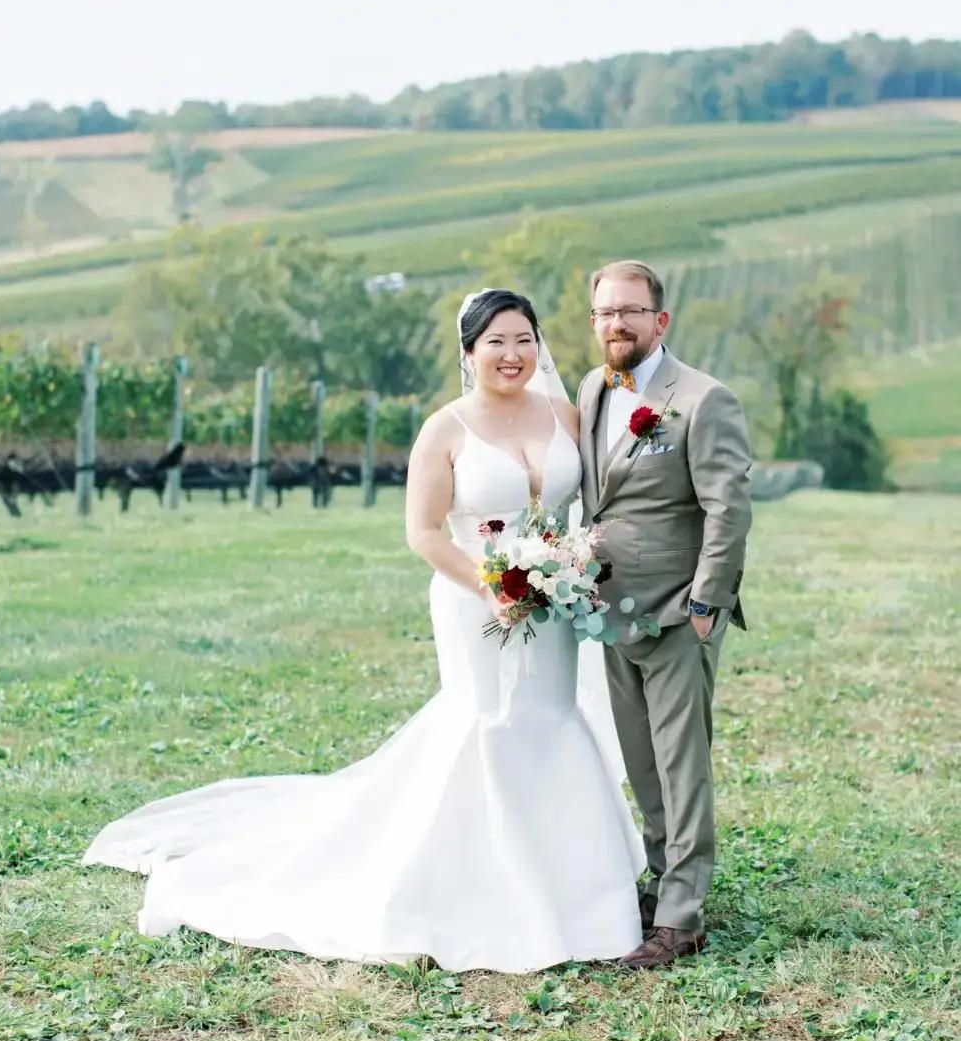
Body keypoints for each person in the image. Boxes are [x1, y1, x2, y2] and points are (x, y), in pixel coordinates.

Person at [82, 288, 645, 973]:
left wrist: (567, 568)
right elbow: (423, 532)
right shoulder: (445, 429)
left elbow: (591, 504)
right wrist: (494, 587)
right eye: (496, 340)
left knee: (551, 717)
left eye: (525, 338)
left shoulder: (563, 414)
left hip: (553, 605)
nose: (513, 353)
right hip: (476, 603)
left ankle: (573, 887)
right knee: (488, 722)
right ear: (469, 351)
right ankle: (471, 887)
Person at [577, 259, 753, 969]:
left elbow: (728, 505)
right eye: (604, 313)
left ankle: (682, 917)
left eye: (630, 310)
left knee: (683, 765)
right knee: (642, 761)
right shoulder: (592, 389)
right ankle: (661, 880)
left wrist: (707, 601)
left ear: (661, 319)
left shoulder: (704, 399)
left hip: (680, 613)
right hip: (607, 610)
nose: (616, 323)